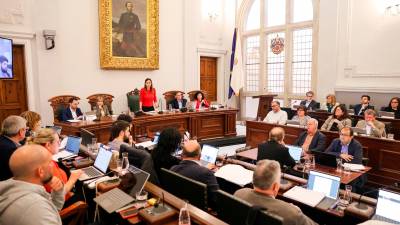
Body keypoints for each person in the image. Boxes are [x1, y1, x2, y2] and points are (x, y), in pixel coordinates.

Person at [234, 160, 317, 225]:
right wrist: (298, 212)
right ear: (276, 187)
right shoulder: (292, 213)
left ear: (253, 181)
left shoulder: (239, 193)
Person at [0, 144, 64, 225]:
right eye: (50, 162)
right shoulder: (37, 209)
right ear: (40, 171)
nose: (52, 165)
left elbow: (52, 209)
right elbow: (39, 211)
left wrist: (57, 193)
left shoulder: (11, 187)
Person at [31, 128, 83, 204]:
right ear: (48, 145)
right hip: (60, 204)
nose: (60, 144)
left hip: (56, 199)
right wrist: (73, 179)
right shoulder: (46, 167)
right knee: (88, 195)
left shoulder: (39, 158)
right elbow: (59, 194)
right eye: (58, 141)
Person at [170, 140, 219, 205]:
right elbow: (216, 199)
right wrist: (204, 169)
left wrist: (203, 168)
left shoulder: (173, 169)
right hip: (201, 212)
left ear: (182, 155)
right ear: (200, 156)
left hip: (178, 205)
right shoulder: (206, 173)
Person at [0, 115, 27, 181]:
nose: (26, 131)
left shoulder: (3, 139)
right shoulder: (11, 150)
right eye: (26, 129)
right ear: (21, 131)